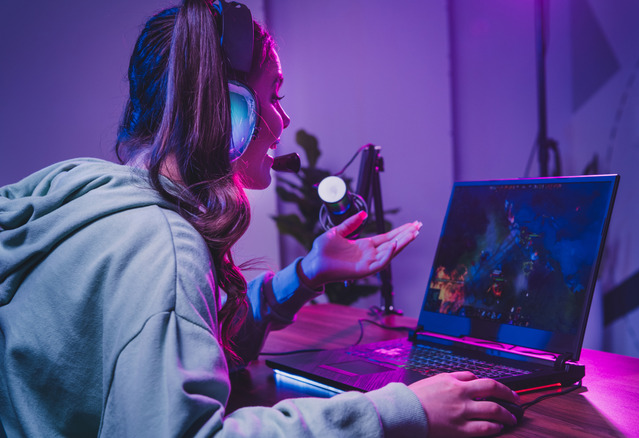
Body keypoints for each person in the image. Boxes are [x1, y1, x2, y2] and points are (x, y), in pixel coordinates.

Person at [0, 1, 521, 436]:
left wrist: (308, 273)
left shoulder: (87, 203)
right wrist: (401, 411)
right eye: (274, 95)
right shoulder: (161, 244)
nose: (284, 119)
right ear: (229, 112)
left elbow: (182, 346)